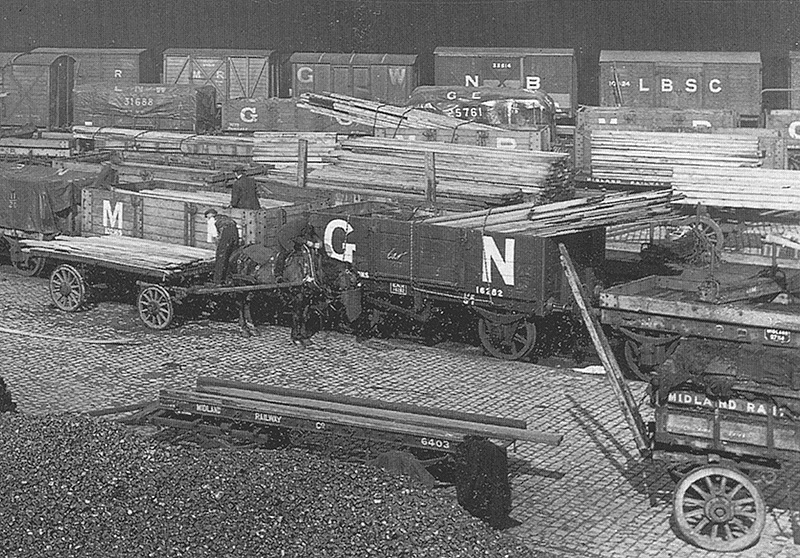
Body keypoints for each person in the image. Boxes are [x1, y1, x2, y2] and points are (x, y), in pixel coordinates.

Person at [204, 208, 241, 285]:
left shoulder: (211, 220)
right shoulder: (225, 217)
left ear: (208, 216)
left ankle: (218, 281)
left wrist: (218, 248)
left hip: (226, 232)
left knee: (221, 258)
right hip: (235, 232)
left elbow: (214, 236)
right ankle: (230, 278)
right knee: (232, 256)